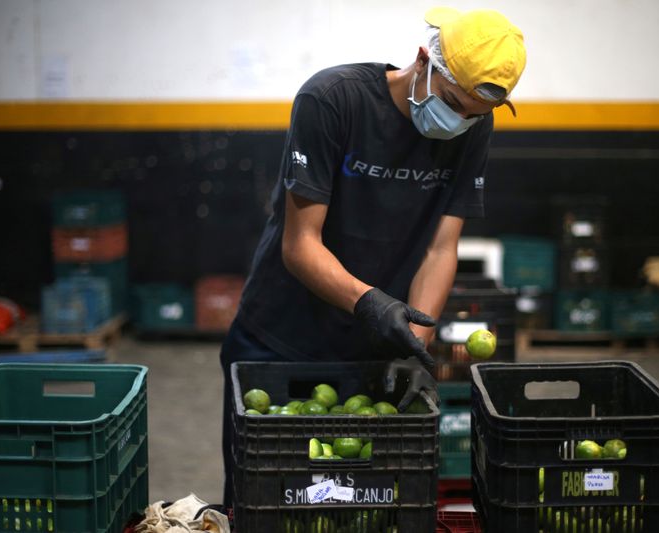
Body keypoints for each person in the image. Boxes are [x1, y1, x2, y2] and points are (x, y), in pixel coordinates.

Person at [219, 6, 526, 508]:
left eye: (476, 114)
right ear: (423, 59)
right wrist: (373, 303)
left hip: (372, 353)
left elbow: (440, 247)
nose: (460, 121)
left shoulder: (473, 128)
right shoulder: (333, 100)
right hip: (280, 342)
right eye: (452, 103)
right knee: (267, 502)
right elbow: (300, 246)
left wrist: (416, 345)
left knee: (359, 508)